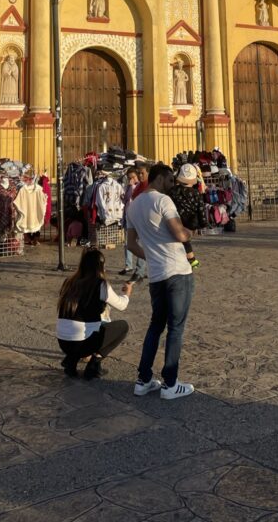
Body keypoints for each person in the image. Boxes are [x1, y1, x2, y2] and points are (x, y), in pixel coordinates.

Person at [126, 162, 195, 400]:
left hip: (156, 275)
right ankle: (170, 384)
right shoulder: (163, 201)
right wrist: (190, 233)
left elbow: (130, 244)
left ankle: (143, 380)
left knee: (156, 326)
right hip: (177, 271)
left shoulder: (133, 206)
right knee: (176, 328)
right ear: (160, 178)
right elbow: (179, 233)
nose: (172, 184)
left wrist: (152, 256)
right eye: (170, 180)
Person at [56, 247, 131, 380]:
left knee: (92, 324)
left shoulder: (68, 282)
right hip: (83, 344)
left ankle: (71, 361)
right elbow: (122, 305)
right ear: (100, 266)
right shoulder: (100, 284)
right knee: (122, 327)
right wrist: (127, 293)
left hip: (63, 343)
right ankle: (94, 363)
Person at [169, 163, 207, 268]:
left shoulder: (172, 191)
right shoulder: (196, 194)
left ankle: (190, 258)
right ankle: (191, 259)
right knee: (185, 240)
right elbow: (201, 211)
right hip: (191, 222)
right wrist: (203, 224)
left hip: (176, 221)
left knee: (182, 241)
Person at [120, 167, 146, 279]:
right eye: (129, 178)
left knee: (140, 243)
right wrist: (130, 186)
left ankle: (139, 270)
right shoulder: (129, 187)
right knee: (128, 243)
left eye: (133, 177)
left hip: (140, 218)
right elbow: (126, 198)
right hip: (129, 217)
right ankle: (128, 265)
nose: (132, 179)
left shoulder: (142, 186)